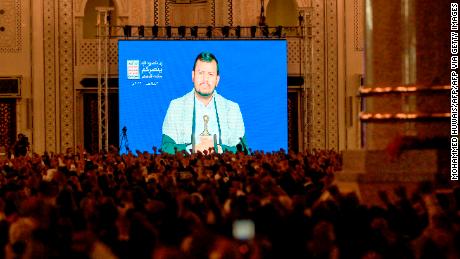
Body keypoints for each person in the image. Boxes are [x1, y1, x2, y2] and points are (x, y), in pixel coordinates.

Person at [161, 52, 247, 154]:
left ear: (217, 80)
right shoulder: (176, 106)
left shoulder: (232, 109)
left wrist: (219, 149)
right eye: (201, 73)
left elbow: (243, 151)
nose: (205, 79)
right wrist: (192, 149)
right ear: (193, 76)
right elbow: (166, 148)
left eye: (210, 74)